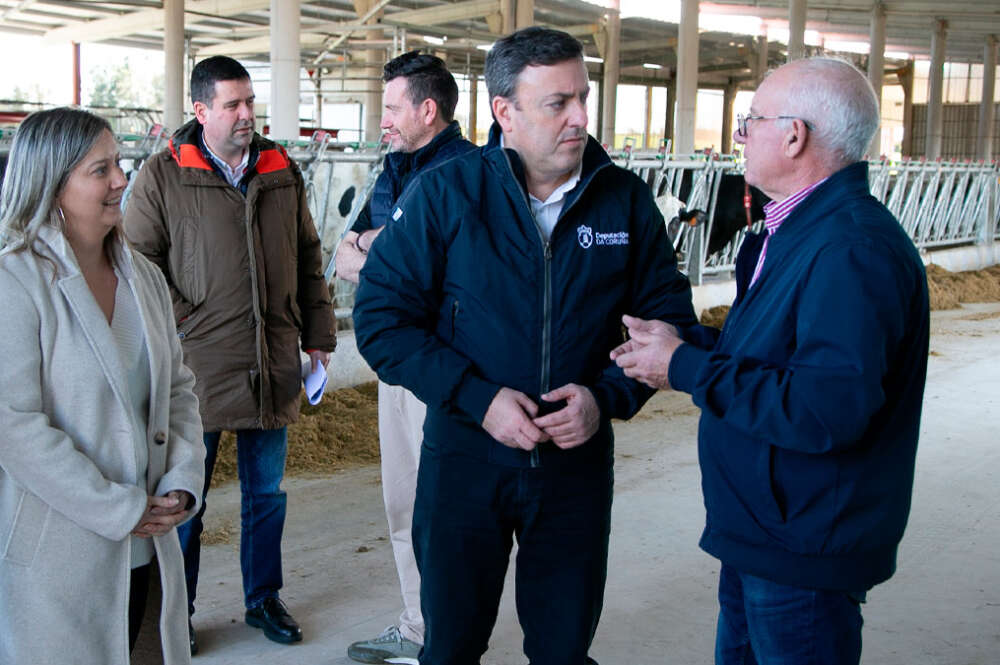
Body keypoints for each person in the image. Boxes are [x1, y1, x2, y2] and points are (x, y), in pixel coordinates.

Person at [353, 27, 701, 665]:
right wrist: (477, 399)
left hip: (575, 472)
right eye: (556, 103)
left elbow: (667, 319)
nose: (578, 119)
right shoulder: (448, 193)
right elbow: (381, 318)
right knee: (450, 645)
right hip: (464, 463)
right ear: (503, 111)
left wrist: (605, 398)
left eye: (582, 98)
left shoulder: (622, 201)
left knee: (563, 649)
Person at [612, 57, 930, 665]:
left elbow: (824, 409)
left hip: (804, 541)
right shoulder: (799, 232)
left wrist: (684, 368)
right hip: (769, 527)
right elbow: (780, 361)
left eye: (750, 119)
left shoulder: (849, 249)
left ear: (794, 135)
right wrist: (685, 347)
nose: (739, 136)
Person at [124, 55, 337, 651]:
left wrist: (318, 335)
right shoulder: (164, 176)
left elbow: (307, 256)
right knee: (188, 495)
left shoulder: (278, 168)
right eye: (232, 105)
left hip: (272, 362)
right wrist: (187, 323)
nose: (247, 115)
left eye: (250, 102)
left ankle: (263, 599)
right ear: (200, 110)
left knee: (266, 494)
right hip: (198, 370)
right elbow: (136, 264)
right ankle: (177, 612)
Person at [0, 107, 205, 664]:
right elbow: (13, 426)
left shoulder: (144, 278)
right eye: (100, 170)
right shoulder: (15, 282)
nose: (121, 180)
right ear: (53, 184)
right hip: (61, 556)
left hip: (151, 545)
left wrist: (184, 480)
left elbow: (179, 390)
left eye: (119, 164)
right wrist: (117, 508)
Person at [336, 51, 476, 665]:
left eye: (392, 107)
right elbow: (345, 254)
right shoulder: (394, 168)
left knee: (445, 506)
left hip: (445, 365)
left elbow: (438, 273)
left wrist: (379, 251)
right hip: (395, 363)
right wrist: (381, 245)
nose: (383, 119)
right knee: (403, 500)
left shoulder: (472, 172)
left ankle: (451, 637)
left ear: (427, 108)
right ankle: (419, 627)